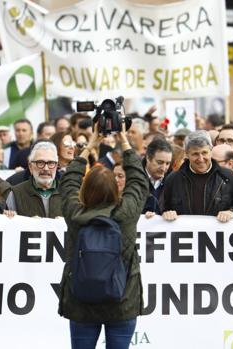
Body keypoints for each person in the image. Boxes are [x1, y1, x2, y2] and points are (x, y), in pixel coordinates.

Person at [57, 123, 148, 349]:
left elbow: (68, 182)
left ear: (85, 191)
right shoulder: (126, 213)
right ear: (116, 190)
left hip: (80, 302)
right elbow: (138, 180)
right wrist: (124, 140)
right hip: (122, 301)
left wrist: (90, 145)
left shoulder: (75, 214)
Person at [161, 130, 233, 222]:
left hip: (217, 234)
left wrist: (231, 212)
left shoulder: (228, 177)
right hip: (185, 234)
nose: (201, 159)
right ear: (187, 154)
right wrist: (167, 213)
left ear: (211, 151)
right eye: (195, 154)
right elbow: (163, 209)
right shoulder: (173, 179)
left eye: (204, 153)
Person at [6, 142, 62, 218]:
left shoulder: (68, 193)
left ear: (56, 166)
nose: (46, 168)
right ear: (30, 166)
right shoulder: (15, 194)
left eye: (51, 163)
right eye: (40, 162)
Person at [141, 138, 172, 216]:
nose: (163, 168)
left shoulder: (174, 179)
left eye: (167, 163)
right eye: (159, 162)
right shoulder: (134, 177)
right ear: (148, 158)